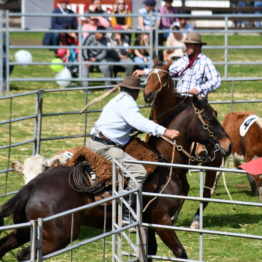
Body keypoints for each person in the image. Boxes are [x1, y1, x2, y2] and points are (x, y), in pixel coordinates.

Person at [86, 76, 180, 219]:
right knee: (139, 172)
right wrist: (164, 131)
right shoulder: (128, 102)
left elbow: (124, 123)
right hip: (105, 147)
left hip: (94, 141)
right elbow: (137, 121)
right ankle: (126, 212)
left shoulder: (117, 100)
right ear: (135, 92)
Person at [133, 32, 221, 98]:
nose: (186, 46)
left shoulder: (205, 61)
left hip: (195, 100)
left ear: (198, 46)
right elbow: (166, 71)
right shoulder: (183, 60)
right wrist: (144, 71)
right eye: (186, 44)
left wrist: (199, 89)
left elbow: (216, 81)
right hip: (179, 97)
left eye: (189, 44)